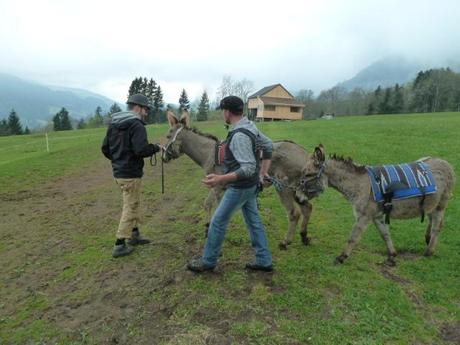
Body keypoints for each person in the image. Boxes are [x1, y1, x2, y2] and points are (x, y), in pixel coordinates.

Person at [187, 95, 274, 273]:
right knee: (254, 222)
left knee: (217, 222)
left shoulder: (239, 136)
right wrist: (263, 172)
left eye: (222, 111)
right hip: (251, 187)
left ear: (227, 112)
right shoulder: (249, 126)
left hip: (241, 187)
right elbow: (269, 146)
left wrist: (221, 179)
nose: (222, 115)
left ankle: (208, 261)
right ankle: (264, 260)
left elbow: (248, 167)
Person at [101, 93, 161, 258]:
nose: (146, 113)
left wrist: (118, 160)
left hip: (119, 173)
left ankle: (134, 235)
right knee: (131, 206)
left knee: (133, 202)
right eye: (145, 109)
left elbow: (105, 149)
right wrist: (155, 147)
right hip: (131, 174)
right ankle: (119, 244)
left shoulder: (114, 124)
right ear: (138, 107)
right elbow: (141, 150)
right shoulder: (137, 125)